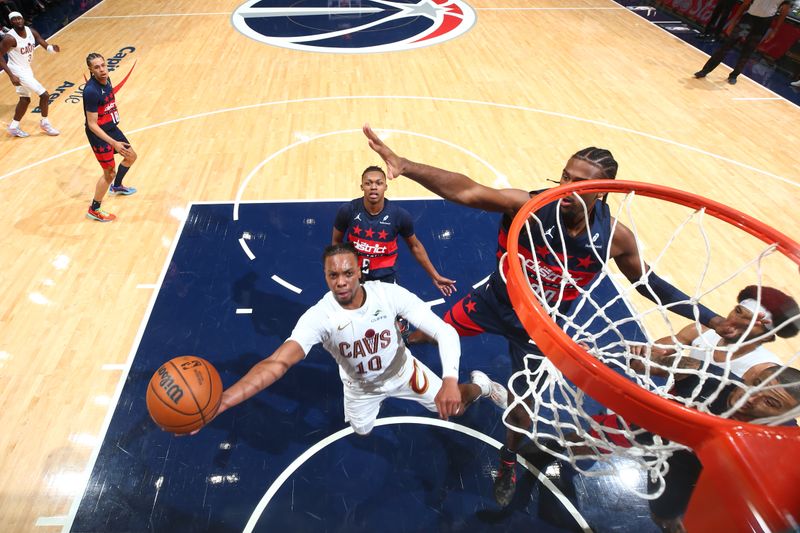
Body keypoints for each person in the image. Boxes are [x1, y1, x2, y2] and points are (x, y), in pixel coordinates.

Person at [362, 123, 726, 507]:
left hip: (540, 326)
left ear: (601, 190)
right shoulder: (533, 206)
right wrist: (406, 165)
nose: (566, 186)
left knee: (523, 405)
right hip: (495, 301)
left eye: (579, 182)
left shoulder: (616, 239)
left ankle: (507, 461)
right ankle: (409, 339)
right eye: (565, 176)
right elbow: (468, 190)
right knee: (433, 330)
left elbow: (648, 284)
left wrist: (711, 319)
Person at [197, 243, 506, 437]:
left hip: (405, 372)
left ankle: (482, 385)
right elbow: (277, 362)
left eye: (347, 273)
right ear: (325, 276)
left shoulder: (389, 295)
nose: (341, 282)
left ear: (360, 272)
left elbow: (445, 331)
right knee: (361, 431)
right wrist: (223, 400)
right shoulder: (320, 316)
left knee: (456, 408)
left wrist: (450, 379)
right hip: (360, 388)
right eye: (333, 276)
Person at [332, 165, 457, 296]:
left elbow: (415, 246)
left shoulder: (399, 215)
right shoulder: (348, 210)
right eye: (368, 183)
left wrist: (435, 275)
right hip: (354, 273)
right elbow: (336, 241)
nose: (373, 187)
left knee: (385, 315)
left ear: (385, 187)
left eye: (379, 183)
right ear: (362, 187)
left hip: (385, 277)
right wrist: (339, 270)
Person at [642, 285, 799, 384]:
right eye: (738, 312)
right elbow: (655, 352)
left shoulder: (764, 369)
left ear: (766, 336)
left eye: (751, 322)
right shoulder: (701, 330)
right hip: (676, 400)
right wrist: (650, 355)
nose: (736, 321)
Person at [83, 52, 138, 222]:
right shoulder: (91, 91)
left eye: (103, 65)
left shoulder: (107, 79)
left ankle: (117, 187)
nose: (102, 70)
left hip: (110, 127)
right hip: (98, 134)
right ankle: (94, 209)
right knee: (109, 172)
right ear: (91, 70)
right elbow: (92, 124)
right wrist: (114, 143)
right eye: (97, 67)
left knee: (131, 156)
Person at [693, 0, 796, 85]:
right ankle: (705, 70)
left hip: (763, 23)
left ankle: (734, 75)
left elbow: (784, 12)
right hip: (749, 18)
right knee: (727, 45)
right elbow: (745, 4)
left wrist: (775, 30)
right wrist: (733, 21)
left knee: (748, 50)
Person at [0, 11, 59, 137]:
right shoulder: (10, 38)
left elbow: (40, 40)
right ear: (11, 22)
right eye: (14, 19)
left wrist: (51, 49)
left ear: (23, 19)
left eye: (19, 18)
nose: (17, 21)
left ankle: (14, 127)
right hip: (16, 71)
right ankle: (45, 123)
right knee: (45, 95)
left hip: (26, 69)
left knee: (25, 99)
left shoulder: (30, 31)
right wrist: (11, 75)